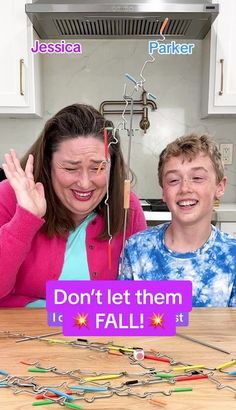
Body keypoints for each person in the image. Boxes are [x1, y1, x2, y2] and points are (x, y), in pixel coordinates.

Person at [0, 103, 147, 307]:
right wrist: (25, 218)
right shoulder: (10, 195)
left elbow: (141, 297)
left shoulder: (127, 206)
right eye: (71, 168)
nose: (85, 183)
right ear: (47, 164)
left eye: (98, 167)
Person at [119, 133, 236, 307]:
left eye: (197, 178)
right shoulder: (136, 249)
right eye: (173, 180)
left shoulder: (231, 256)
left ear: (220, 187)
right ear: (163, 192)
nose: (185, 188)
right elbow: (124, 318)